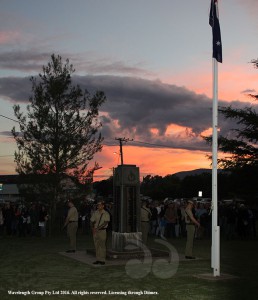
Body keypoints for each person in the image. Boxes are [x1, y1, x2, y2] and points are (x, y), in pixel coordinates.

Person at [90, 200, 110, 265]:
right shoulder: (95, 212)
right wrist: (92, 228)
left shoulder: (106, 213)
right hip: (95, 231)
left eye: (99, 205)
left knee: (102, 245)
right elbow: (92, 220)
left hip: (102, 231)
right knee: (96, 245)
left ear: (103, 206)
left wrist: (97, 228)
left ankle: (102, 259)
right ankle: (98, 259)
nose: (98, 206)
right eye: (98, 205)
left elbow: (106, 222)